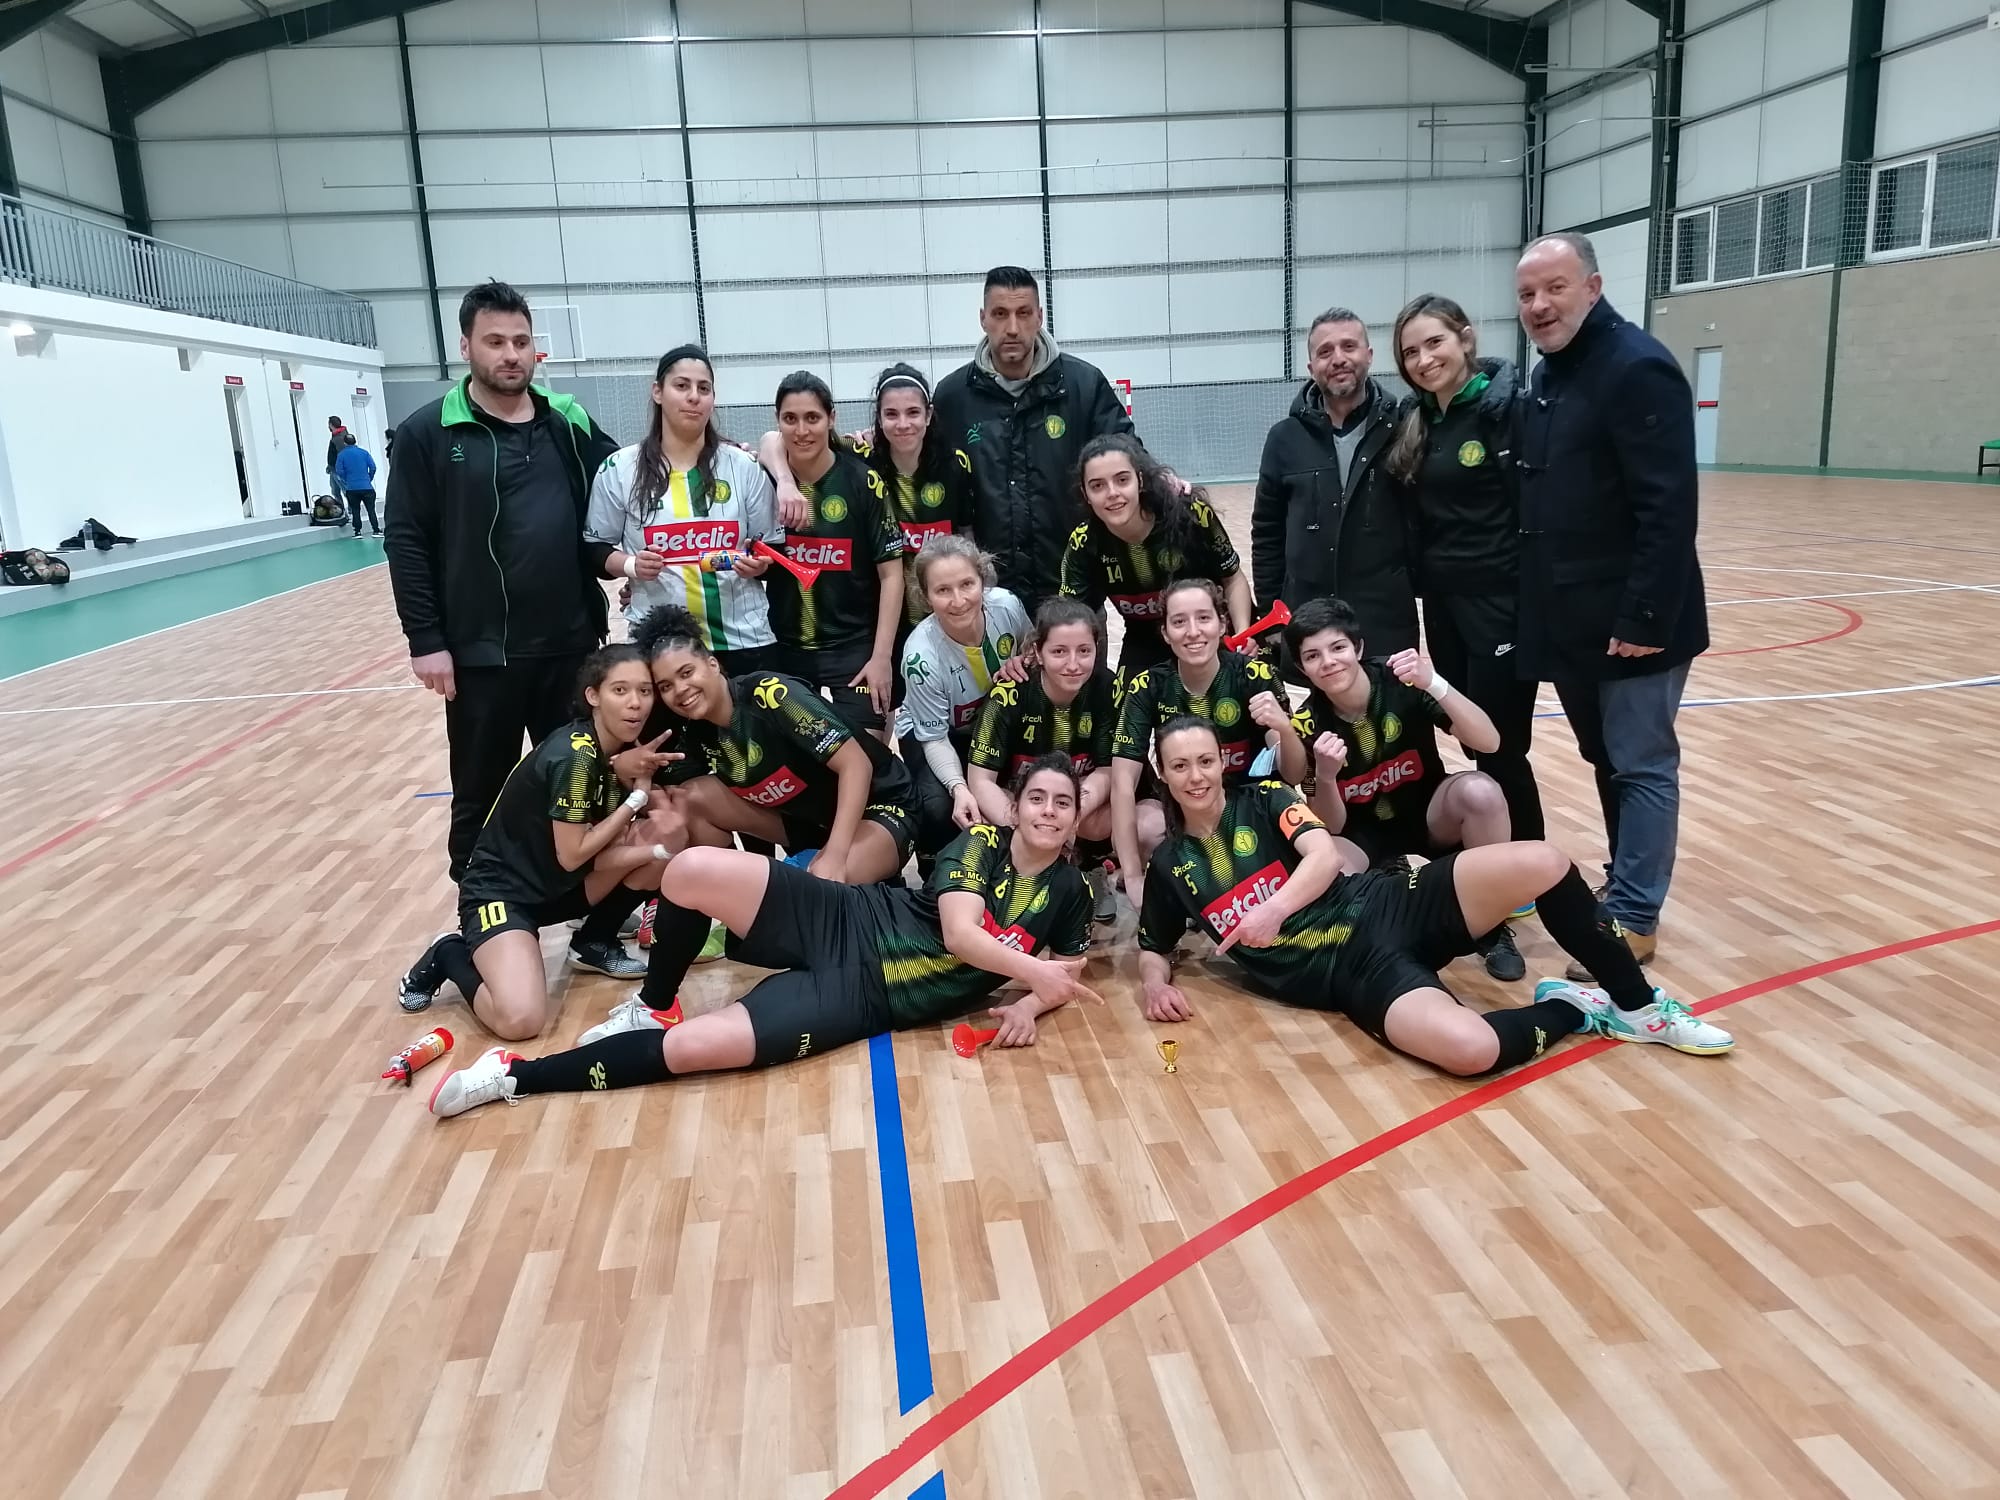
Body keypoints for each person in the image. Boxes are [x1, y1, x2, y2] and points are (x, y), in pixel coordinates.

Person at [428, 756, 1101, 1118]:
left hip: (863, 999)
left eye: (1062, 804)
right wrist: (1036, 976)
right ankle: (657, 998)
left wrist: (1028, 1002)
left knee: (693, 1049)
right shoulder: (979, 843)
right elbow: (959, 934)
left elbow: (1069, 967)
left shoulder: (1071, 893)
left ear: (1075, 822)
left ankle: (513, 1078)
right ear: (1013, 808)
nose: (1047, 812)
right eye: (1036, 799)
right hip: (849, 916)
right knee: (688, 869)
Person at [1136, 718, 1734, 1070]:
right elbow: (1153, 943)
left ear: (1222, 762)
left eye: (1206, 761)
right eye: (1181, 766)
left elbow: (1321, 856)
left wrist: (1275, 909)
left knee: (1545, 862)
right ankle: (1578, 1008)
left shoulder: (1265, 798)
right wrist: (1156, 983)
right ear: (1161, 774)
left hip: (1387, 902)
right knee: (1470, 1051)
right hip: (1356, 974)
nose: (1196, 776)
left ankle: (1640, 1007)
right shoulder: (1169, 866)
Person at [385, 280, 640, 974]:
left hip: (569, 651)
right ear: (465, 346)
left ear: (536, 348)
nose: (509, 355)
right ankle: (479, 932)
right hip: (479, 656)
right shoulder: (427, 434)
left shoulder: (566, 421)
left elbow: (633, 477)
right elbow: (406, 541)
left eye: (520, 342)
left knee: (594, 789)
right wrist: (426, 640)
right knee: (480, 794)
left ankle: (597, 931)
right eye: (494, 342)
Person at [1515, 232, 1709, 977]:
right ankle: (1624, 889)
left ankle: (1632, 917)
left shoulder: (1637, 369)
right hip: (1575, 622)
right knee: (1607, 761)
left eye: (1554, 288)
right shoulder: (1554, 375)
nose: (1539, 305)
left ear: (1592, 288)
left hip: (1633, 624)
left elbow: (1669, 508)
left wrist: (1644, 619)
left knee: (1641, 764)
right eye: (1528, 294)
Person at [394, 646, 681, 1040]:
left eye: (645, 691)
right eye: (620, 691)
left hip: (557, 887)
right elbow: (573, 855)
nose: (635, 704)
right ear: (593, 696)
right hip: (502, 896)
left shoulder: (615, 749)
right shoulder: (574, 758)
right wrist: (636, 802)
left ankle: (593, 941)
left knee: (668, 835)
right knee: (521, 1021)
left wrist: (651, 828)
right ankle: (449, 953)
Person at [1282, 596, 1525, 982]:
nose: (1328, 662)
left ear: (1358, 648)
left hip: (1426, 811)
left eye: (1338, 647)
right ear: (1301, 669)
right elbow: (1329, 825)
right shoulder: (1307, 725)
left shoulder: (1401, 681)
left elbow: (1490, 741)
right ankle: (1387, 934)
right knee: (1325, 869)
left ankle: (1490, 926)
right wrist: (1326, 777)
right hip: (1362, 833)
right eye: (1312, 656)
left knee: (1482, 791)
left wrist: (1437, 684)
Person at [1384, 293, 1543, 856]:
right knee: (1472, 736)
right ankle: (1496, 851)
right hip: (1444, 605)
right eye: (1410, 352)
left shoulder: (1506, 412)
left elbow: (1535, 508)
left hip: (1500, 604)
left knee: (1501, 742)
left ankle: (1527, 859)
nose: (1424, 359)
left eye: (1435, 343)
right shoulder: (1417, 421)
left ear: (1465, 339)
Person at [636, 604, 915, 884]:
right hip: (811, 823)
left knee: (814, 892)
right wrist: (628, 772)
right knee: (688, 798)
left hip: (881, 806)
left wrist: (835, 855)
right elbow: (670, 797)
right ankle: (733, 890)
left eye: (686, 673)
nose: (680, 689)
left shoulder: (771, 694)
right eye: (666, 686)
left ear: (712, 664)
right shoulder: (694, 730)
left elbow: (857, 765)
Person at [927, 266, 1136, 612]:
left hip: (1076, 592)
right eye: (999, 314)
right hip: (987, 603)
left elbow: (1129, 454)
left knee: (1076, 669)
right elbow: (918, 464)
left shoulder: (1083, 385)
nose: (1012, 328)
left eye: (1023, 313)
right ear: (983, 319)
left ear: (1039, 317)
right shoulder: (952, 397)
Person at [585, 344, 783, 676]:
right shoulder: (619, 468)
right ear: (658, 392)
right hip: (655, 646)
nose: (694, 396)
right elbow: (594, 550)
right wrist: (632, 565)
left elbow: (773, 547)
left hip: (742, 642)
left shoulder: (743, 467)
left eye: (703, 388)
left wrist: (759, 566)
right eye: (682, 386)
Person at [1251, 307, 1417, 666]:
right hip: (1308, 623)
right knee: (1316, 722)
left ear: (1369, 356)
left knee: (1396, 719)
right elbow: (1266, 532)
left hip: (1386, 623)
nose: (1338, 359)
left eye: (1349, 347)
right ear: (1311, 367)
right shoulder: (1283, 439)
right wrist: (1271, 614)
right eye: (1325, 352)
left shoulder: (1404, 426)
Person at [1111, 577, 1287, 906]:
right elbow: (1122, 783)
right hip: (1184, 810)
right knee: (1144, 827)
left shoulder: (1255, 676)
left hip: (1250, 807)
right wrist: (1134, 876)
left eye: (1204, 618)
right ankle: (1183, 886)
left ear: (1222, 623)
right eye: (1179, 622)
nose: (1192, 631)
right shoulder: (1147, 686)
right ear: (1165, 632)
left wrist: (1285, 731)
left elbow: (1291, 774)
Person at [757, 372, 906, 739]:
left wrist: (881, 658)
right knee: (804, 769)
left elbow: (892, 575)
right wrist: (786, 483)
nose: (802, 430)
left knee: (867, 764)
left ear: (832, 418)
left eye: (813, 418)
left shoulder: (863, 481)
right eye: (790, 419)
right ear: (778, 421)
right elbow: (766, 444)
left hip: (854, 648)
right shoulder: (765, 478)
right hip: (787, 648)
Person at [967, 596, 1119, 921]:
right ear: (1037, 652)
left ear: (1097, 648)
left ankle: (1091, 866)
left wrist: (1070, 814)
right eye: (1059, 651)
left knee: (1136, 817)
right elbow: (979, 781)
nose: (1073, 664)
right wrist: (1027, 822)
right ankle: (1010, 874)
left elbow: (1107, 770)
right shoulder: (1009, 694)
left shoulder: (1106, 688)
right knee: (977, 811)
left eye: (1084, 651)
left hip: (1078, 806)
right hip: (1022, 804)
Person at [1058, 433, 1252, 683]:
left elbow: (1233, 578)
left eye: (1122, 480)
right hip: (1144, 637)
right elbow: (1068, 616)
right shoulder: (1084, 543)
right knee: (1124, 709)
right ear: (1085, 494)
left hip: (1209, 631)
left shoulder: (1190, 515)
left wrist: (1245, 633)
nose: (1112, 493)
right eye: (1098, 486)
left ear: (1140, 481)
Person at [895, 534, 1034, 860]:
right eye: (943, 590)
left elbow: (1033, 652)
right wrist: (959, 787)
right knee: (939, 806)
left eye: (967, 584)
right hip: (939, 735)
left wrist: (1024, 660)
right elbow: (934, 738)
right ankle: (936, 883)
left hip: (997, 724)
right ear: (926, 596)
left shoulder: (1007, 606)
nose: (958, 600)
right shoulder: (921, 658)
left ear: (982, 581)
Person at [865, 363, 978, 588]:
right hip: (888, 603)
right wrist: (786, 481)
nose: (903, 424)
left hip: (945, 601)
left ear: (928, 415)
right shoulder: (865, 463)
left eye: (913, 412)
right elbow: (776, 440)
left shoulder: (955, 464)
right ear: (879, 418)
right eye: (891, 414)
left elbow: (967, 533)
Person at [333, 430, 380, 536]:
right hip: (367, 487)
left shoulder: (341, 455)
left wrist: (346, 480)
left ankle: (358, 531)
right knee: (371, 510)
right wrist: (369, 478)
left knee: (355, 510)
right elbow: (373, 467)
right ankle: (376, 529)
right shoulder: (364, 453)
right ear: (355, 442)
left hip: (352, 488)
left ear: (345, 443)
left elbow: (339, 471)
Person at [325, 415, 348, 506]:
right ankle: (340, 510)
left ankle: (351, 511)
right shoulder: (337, 436)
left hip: (337, 469)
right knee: (335, 491)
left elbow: (341, 454)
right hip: (333, 469)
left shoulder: (339, 438)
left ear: (331, 425)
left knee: (344, 490)